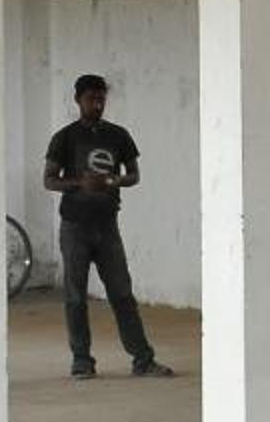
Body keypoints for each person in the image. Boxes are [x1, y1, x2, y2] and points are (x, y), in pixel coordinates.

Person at [43, 74, 174, 380]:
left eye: (101, 98)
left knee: (122, 293)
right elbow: (48, 179)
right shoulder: (65, 138)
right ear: (78, 100)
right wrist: (80, 182)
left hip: (107, 225)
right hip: (74, 226)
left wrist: (113, 180)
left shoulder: (118, 135)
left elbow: (134, 175)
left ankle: (143, 360)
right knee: (75, 297)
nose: (97, 104)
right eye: (91, 98)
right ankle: (82, 361)